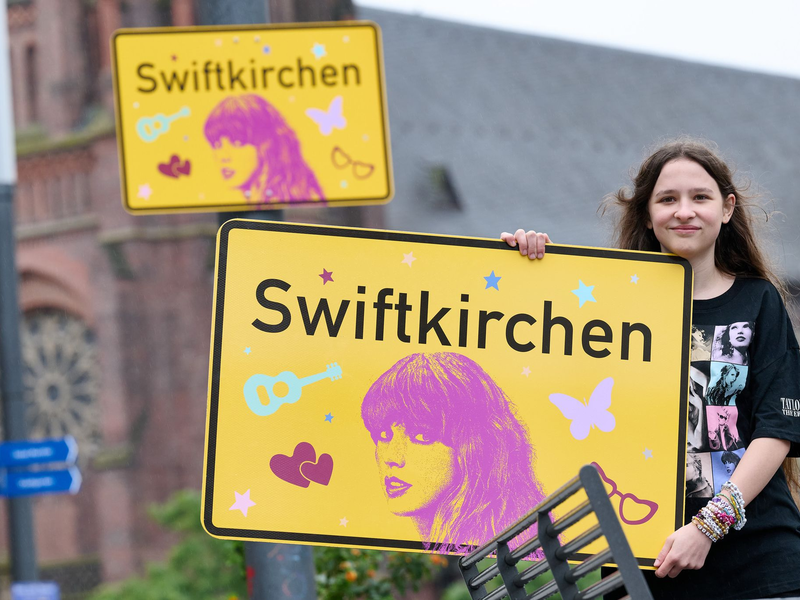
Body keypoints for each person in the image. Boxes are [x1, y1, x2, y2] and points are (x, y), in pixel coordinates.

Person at [501, 137, 800, 599]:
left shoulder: (759, 301)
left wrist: (707, 527)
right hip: (636, 560)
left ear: (726, 208)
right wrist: (526, 268)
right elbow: (530, 379)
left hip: (757, 562)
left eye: (700, 197)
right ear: (647, 214)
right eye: (667, 199)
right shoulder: (608, 308)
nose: (684, 211)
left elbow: (775, 430)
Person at [360, 352, 546, 553]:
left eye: (422, 436)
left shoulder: (509, 549)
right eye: (384, 435)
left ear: (475, 447)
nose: (392, 458)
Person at [204, 94, 325, 204]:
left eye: (237, 143)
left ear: (266, 145)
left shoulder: (303, 201)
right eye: (217, 145)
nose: (223, 157)